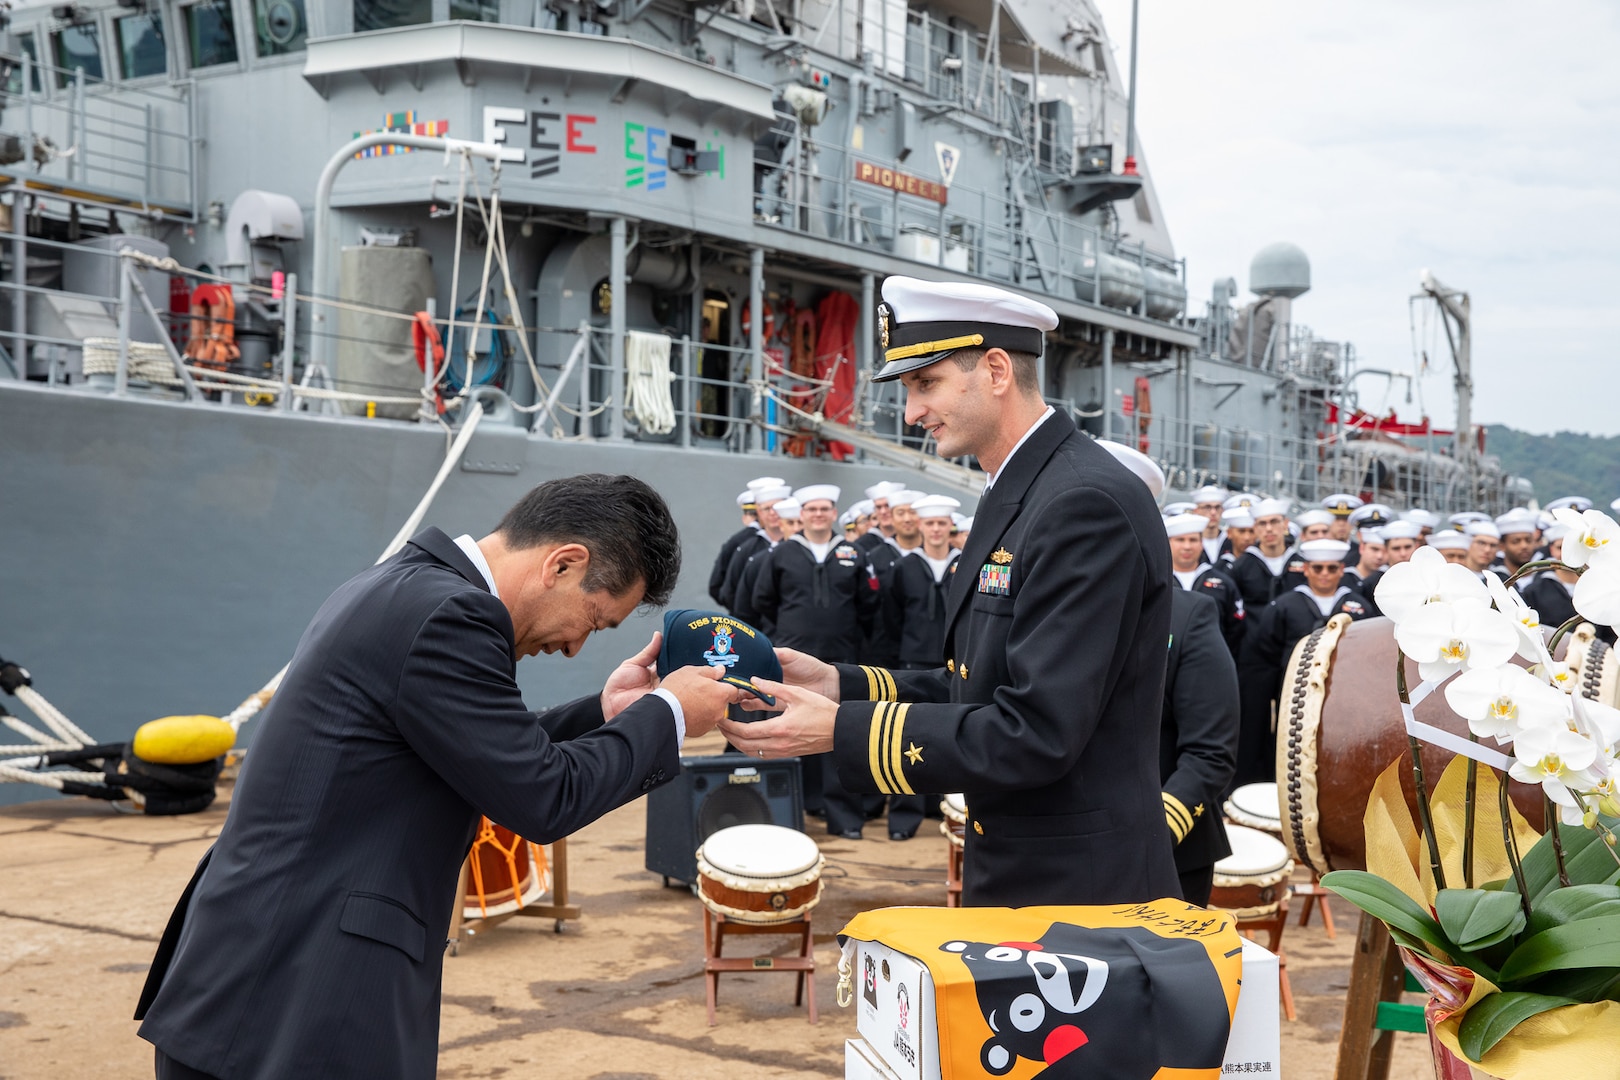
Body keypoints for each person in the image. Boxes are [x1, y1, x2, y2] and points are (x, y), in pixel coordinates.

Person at [136, 475, 743, 1080]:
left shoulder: (403, 587)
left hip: (255, 972)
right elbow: (542, 796)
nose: (576, 647)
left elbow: (483, 747)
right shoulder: (452, 615)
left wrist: (615, 716)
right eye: (595, 618)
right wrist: (670, 715)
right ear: (563, 564)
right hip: (303, 992)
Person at [721, 274, 1179, 907]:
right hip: (1031, 867)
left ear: (994, 370)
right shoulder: (1024, 493)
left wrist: (841, 730)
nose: (911, 413)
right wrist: (839, 684)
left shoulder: (1082, 503)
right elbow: (979, 684)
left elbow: (1037, 729)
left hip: (1082, 889)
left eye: (924, 383)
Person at [750, 484, 882, 840]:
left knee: (840, 736)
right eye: (812, 509)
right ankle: (793, 814)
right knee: (789, 732)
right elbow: (763, 600)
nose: (819, 514)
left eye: (825, 509)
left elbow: (868, 605)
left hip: (841, 660)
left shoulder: (852, 552)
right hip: (794, 659)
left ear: (834, 513)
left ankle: (845, 819)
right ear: (802, 514)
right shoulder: (782, 554)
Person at [1234, 538, 1370, 785]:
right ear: (1306, 569)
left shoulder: (1359, 607)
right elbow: (1263, 658)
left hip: (1344, 697)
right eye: (1317, 568)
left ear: (1342, 570)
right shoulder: (1284, 606)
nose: (1325, 574)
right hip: (1296, 698)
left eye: (1332, 568)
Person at [879, 493, 963, 840]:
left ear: (949, 526)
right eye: (930, 523)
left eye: (942, 523)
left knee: (950, 739)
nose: (936, 529)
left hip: (955, 665)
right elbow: (891, 617)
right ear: (921, 526)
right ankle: (903, 818)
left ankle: (944, 810)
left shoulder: (967, 563)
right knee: (906, 739)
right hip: (912, 663)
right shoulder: (905, 567)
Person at [1161, 589, 1240, 906]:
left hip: (1167, 853)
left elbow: (1210, 753)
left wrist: (1155, 834)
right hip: (1048, 848)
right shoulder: (1047, 602)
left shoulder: (1186, 614)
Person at [1165, 512, 1245, 660]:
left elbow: (1235, 629)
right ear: (1168, 543)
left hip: (1209, 659)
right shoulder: (1160, 580)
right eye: (1180, 540)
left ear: (1202, 544)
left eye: (1193, 540)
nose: (1187, 546)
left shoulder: (1223, 583)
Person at [716, 483, 791, 611]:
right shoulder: (746, 549)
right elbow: (728, 592)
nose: (773, 513)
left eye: (777, 508)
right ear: (759, 512)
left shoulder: (798, 547)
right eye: (767, 508)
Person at [1229, 499, 1305, 611]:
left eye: (1274, 522)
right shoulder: (1241, 567)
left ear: (1285, 524)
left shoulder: (1304, 565)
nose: (1269, 529)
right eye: (1262, 523)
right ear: (1255, 527)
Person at [1494, 510, 1540, 581]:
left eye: (1528, 540)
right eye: (1516, 541)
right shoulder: (1495, 580)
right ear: (1502, 546)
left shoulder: (1545, 578)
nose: (1524, 546)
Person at [1190, 485, 1229, 565]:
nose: (1213, 512)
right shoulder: (1190, 541)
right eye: (1207, 507)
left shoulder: (1229, 540)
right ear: (1196, 511)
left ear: (1222, 510)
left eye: (1217, 507)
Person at [1343, 527, 1386, 592]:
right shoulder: (1343, 578)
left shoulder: (1389, 579)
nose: (1380, 556)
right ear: (1362, 548)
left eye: (1385, 551)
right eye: (1375, 549)